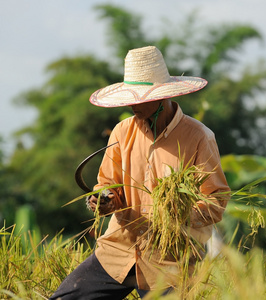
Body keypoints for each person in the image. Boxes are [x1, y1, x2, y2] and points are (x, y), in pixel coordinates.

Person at [50, 46, 230, 300]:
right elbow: (108, 184)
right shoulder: (122, 132)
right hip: (118, 250)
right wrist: (104, 199)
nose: (134, 105)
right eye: (131, 99)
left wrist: (177, 212)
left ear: (162, 97)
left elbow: (216, 200)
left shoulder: (199, 137)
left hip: (170, 261)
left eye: (141, 98)